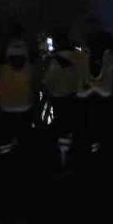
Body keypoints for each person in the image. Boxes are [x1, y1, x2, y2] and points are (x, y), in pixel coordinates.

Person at [0, 34, 37, 156]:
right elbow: (37, 81)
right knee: (24, 134)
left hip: (6, 107)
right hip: (25, 106)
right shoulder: (30, 67)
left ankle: (6, 152)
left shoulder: (2, 66)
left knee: (5, 136)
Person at [41, 33, 85, 167]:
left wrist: (46, 87)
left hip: (59, 99)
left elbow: (49, 80)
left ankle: (62, 158)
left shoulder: (54, 60)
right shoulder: (79, 57)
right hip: (76, 97)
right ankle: (73, 156)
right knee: (73, 127)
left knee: (61, 128)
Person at [74, 29, 113, 159]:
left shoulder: (107, 57)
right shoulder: (86, 57)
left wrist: (90, 85)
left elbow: (105, 90)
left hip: (98, 111)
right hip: (91, 111)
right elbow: (82, 91)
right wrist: (95, 85)